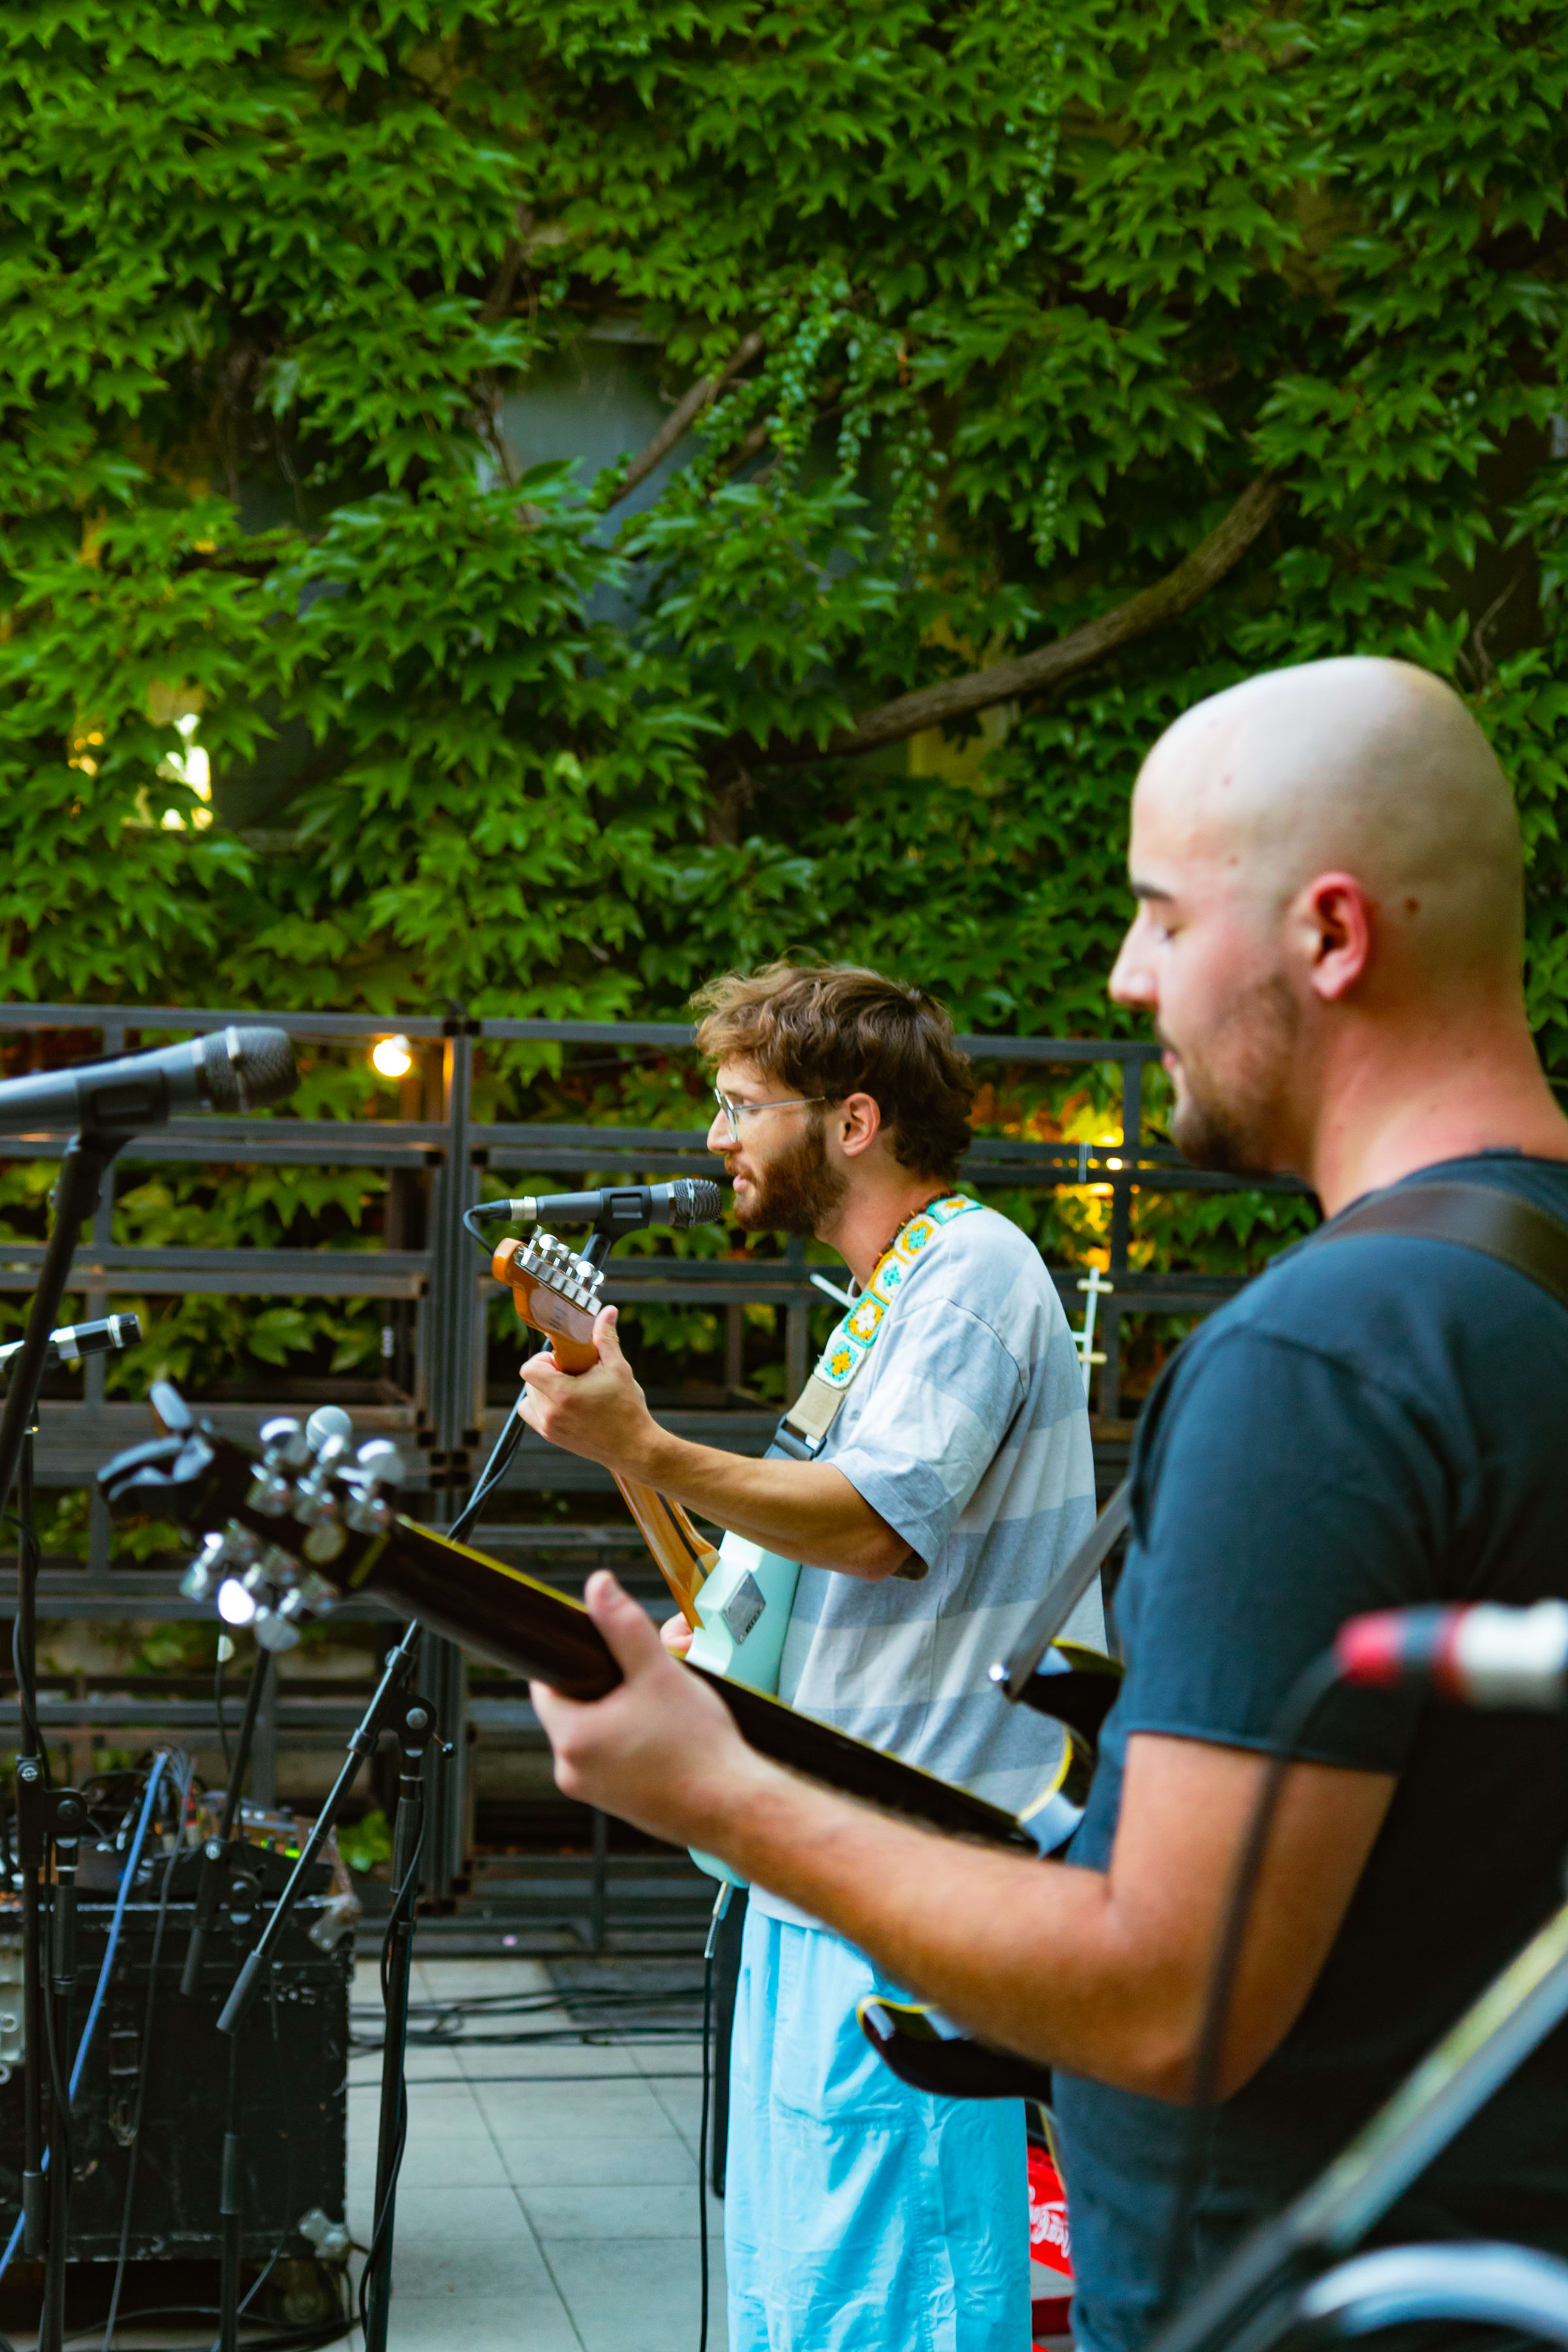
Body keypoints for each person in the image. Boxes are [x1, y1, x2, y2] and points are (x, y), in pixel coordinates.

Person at [526, 656, 1568, 2352]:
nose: (1126, 974)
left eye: (1161, 915)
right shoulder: (1517, 1291)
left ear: (1331, 935)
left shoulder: (1326, 1361)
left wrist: (721, 1794)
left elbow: (1170, 1987)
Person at [516, 962, 1102, 2352]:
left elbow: (878, 1529)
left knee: (890, 2289)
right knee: (809, 2283)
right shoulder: (887, 1299)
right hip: (838, 1853)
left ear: (851, 1121)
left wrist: (647, 1448)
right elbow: (758, 1602)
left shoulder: (965, 1273)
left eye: (739, 1105)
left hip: (914, 1861)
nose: (715, 1138)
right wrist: (632, 1451)